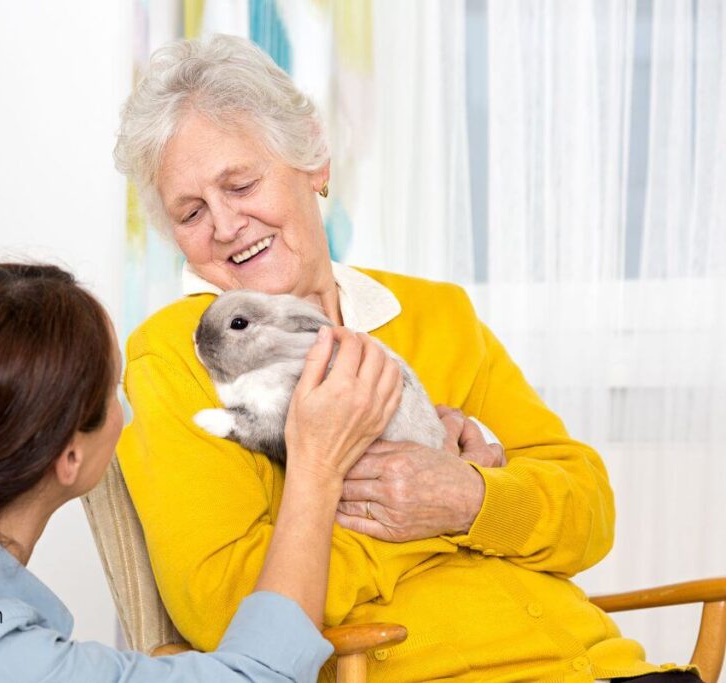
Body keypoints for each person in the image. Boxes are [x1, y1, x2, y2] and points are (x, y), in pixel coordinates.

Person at [113, 34, 698, 682]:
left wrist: (467, 497)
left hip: (613, 665)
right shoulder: (177, 358)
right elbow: (226, 605)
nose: (224, 225)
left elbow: (590, 513)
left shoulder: (436, 313)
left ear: (314, 158)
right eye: (191, 212)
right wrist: (431, 515)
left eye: (241, 182)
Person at [0, 263, 399, 682]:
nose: (126, 410)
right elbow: (260, 676)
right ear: (69, 458)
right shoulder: (5, 664)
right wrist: (316, 464)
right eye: (111, 395)